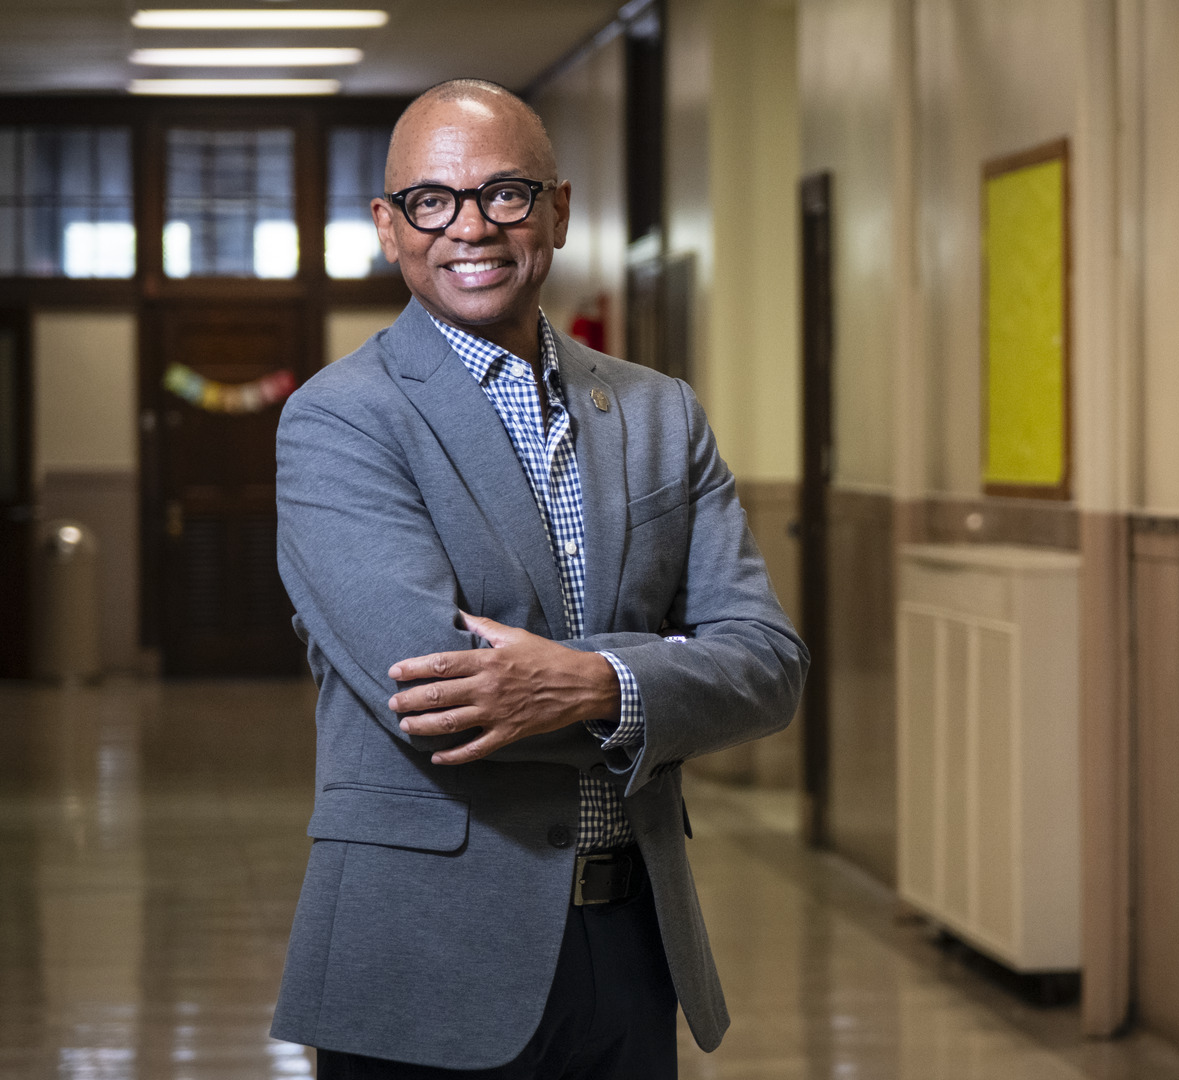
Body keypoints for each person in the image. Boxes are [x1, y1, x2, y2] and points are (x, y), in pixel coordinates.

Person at [268, 78, 807, 1077]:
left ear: (558, 210)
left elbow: (769, 663)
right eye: (432, 200)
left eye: (505, 193)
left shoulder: (660, 413)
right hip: (426, 954)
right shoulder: (340, 420)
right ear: (391, 228)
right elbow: (432, 685)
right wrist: (669, 669)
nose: (470, 226)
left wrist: (595, 683)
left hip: (631, 944)